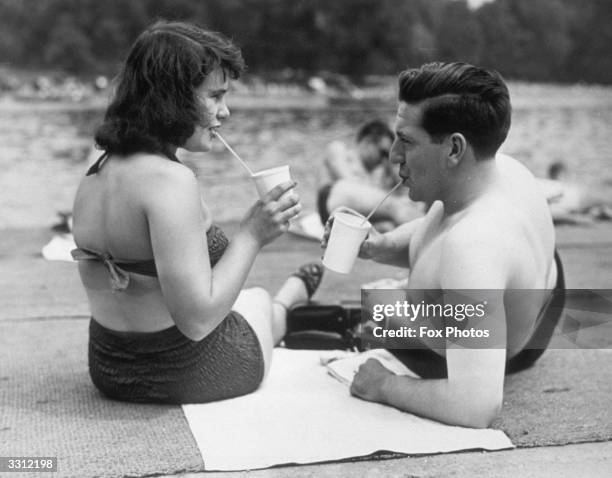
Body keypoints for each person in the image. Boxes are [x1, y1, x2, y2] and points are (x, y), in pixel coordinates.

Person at [70, 21, 324, 404]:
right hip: (189, 373)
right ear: (172, 97)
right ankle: (288, 301)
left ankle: (288, 297)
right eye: (215, 95)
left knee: (243, 299)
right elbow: (198, 320)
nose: (225, 112)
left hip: (109, 368)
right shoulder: (171, 181)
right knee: (255, 300)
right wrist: (253, 234)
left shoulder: (97, 170)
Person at [322, 62, 565, 428]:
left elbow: (476, 406)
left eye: (406, 142)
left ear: (454, 149)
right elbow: (438, 226)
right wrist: (379, 245)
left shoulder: (473, 247)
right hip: (541, 288)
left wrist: (385, 385)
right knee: (385, 305)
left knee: (377, 311)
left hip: (513, 347)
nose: (393, 157)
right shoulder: (497, 170)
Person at [317, 120, 424, 232]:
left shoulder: (375, 175)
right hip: (332, 201)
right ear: (367, 142)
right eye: (383, 153)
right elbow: (347, 179)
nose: (383, 161)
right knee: (395, 206)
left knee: (392, 221)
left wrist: (391, 171)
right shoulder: (339, 149)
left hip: (352, 213)